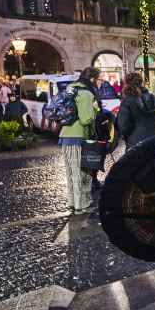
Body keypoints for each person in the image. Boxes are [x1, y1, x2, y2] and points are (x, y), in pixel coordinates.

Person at [58, 67, 101, 215]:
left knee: (70, 171)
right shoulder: (87, 94)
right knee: (81, 172)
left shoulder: (71, 88)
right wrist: (95, 110)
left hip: (64, 135)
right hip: (79, 136)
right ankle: (81, 206)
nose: (98, 82)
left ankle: (72, 202)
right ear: (92, 79)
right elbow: (85, 119)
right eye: (98, 79)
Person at [116, 72, 155, 149]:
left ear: (126, 83)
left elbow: (123, 125)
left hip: (135, 142)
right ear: (141, 82)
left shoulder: (127, 101)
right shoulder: (152, 97)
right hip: (153, 139)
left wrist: (126, 136)